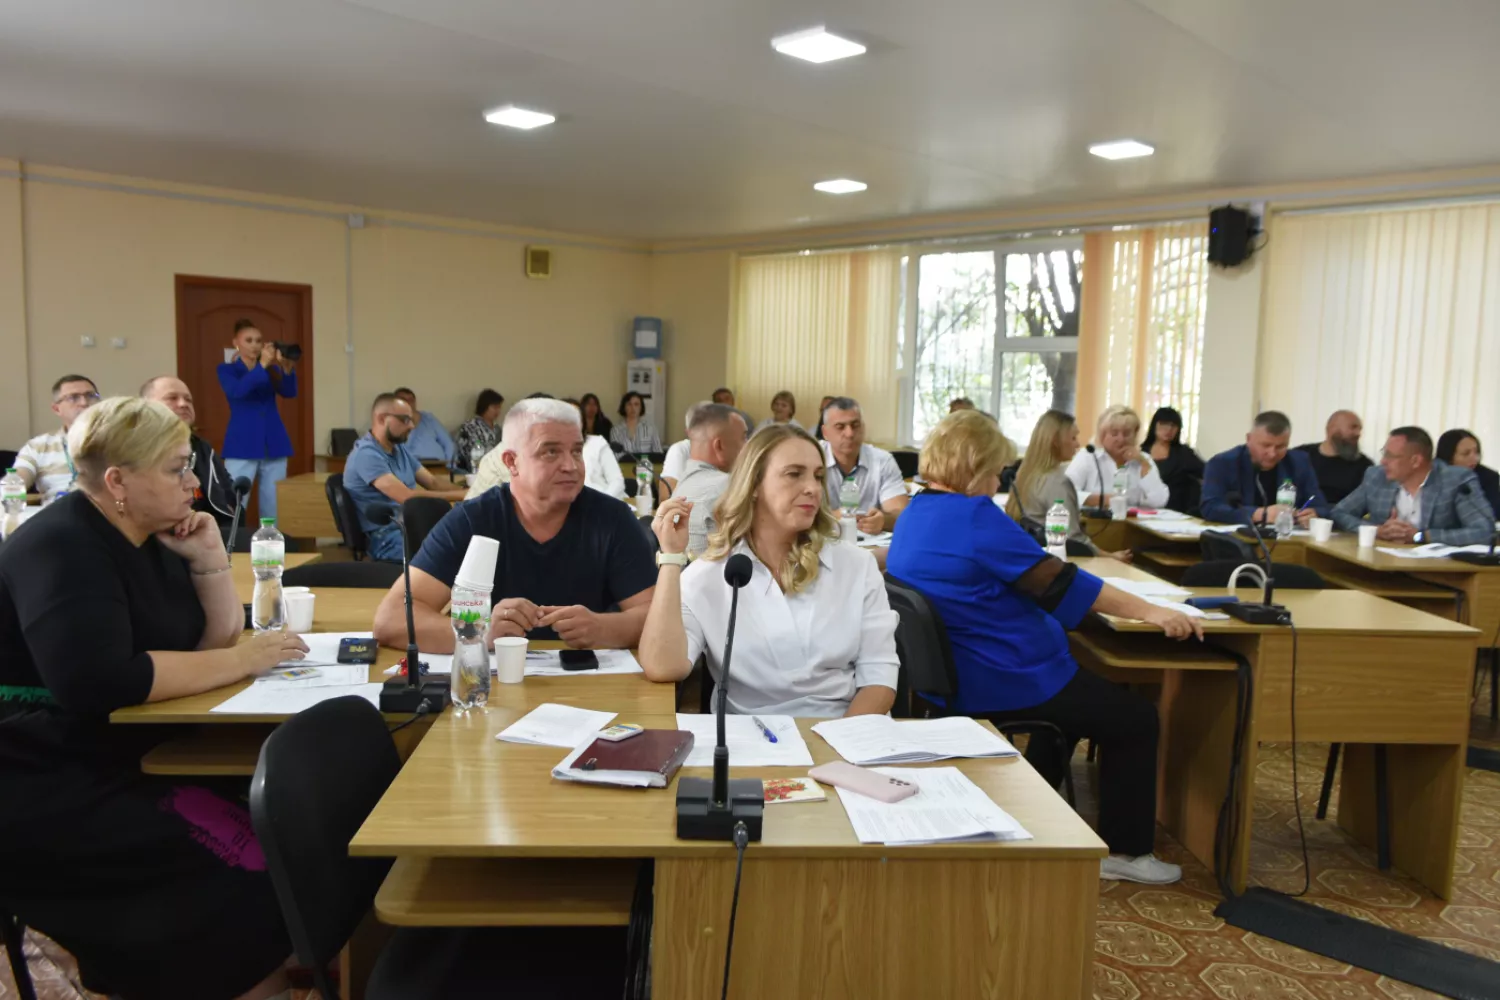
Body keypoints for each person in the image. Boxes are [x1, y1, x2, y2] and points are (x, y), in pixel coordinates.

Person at [0, 396, 308, 1000]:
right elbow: (99, 682)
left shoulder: (148, 534)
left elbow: (207, 644)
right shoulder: (62, 545)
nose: (194, 481)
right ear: (117, 480)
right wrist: (242, 659)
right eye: (176, 469)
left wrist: (212, 562)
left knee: (284, 828)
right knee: (238, 872)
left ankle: (257, 975)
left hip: (116, 750)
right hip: (35, 769)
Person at [886, 409, 1203, 884]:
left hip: (952, 680)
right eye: (994, 469)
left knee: (1078, 702)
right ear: (972, 466)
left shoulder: (916, 512)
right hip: (1004, 677)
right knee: (1135, 718)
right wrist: (1152, 612)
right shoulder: (973, 516)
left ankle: (1039, 812)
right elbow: (1059, 582)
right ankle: (1128, 852)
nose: (998, 479)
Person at [641, 424, 899, 718]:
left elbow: (879, 678)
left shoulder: (856, 565)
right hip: (752, 743)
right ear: (753, 487)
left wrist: (837, 745)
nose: (813, 488)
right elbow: (662, 667)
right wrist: (672, 558)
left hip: (846, 731)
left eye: (818, 476)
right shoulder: (709, 575)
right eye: (794, 474)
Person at [374, 398, 656, 651]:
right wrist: (479, 632)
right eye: (551, 452)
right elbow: (392, 619)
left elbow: (657, 618)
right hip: (494, 690)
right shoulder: (473, 519)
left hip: (596, 689)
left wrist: (603, 628)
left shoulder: (613, 519)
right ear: (512, 462)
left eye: (576, 451)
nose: (570, 465)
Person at [343, 394, 468, 562]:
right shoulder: (366, 454)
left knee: (469, 542)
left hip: (408, 526)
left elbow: (432, 482)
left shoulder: (399, 449)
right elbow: (407, 497)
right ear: (382, 419)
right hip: (385, 537)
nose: (412, 426)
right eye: (404, 420)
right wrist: (463, 496)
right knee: (453, 554)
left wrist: (470, 491)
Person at [1332, 426, 1495, 545]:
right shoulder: (1377, 476)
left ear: (1415, 461)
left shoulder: (1456, 481)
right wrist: (1377, 530)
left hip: (1437, 571)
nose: (1383, 461)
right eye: (1384, 453)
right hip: (1382, 561)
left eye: (1390, 456)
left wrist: (1421, 536)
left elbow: (1484, 532)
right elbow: (1340, 512)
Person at [1007, 409, 1129, 561]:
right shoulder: (1058, 482)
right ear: (1056, 442)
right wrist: (1110, 557)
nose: (1078, 444)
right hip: (1057, 560)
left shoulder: (1024, 474)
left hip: (1029, 555)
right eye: (1073, 438)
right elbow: (1073, 540)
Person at [217, 319, 296, 522]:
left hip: (274, 443)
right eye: (249, 340)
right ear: (237, 342)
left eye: (259, 341)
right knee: (235, 502)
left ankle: (271, 549)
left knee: (273, 504)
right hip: (242, 445)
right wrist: (261, 365)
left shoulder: (271, 370)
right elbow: (238, 391)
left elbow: (289, 392)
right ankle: (232, 548)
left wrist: (287, 369)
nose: (254, 345)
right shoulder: (227, 370)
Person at [140, 375, 237, 532]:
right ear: (146, 406)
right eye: (172, 398)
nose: (183, 404)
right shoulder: (139, 448)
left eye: (188, 399)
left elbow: (228, 492)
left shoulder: (202, 447)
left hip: (215, 528)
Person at [1200, 411, 1328, 525]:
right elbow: (1210, 507)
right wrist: (1259, 514)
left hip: (1289, 538)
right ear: (1249, 439)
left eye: (1280, 447)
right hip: (1237, 540)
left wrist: (1314, 514)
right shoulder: (1223, 463)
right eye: (1266, 445)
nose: (1272, 453)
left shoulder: (1299, 462)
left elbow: (1321, 505)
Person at [669, 403, 748, 556]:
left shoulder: (682, 486)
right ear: (719, 446)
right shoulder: (729, 486)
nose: (748, 446)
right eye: (744, 437)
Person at [821, 397, 909, 533]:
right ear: (825, 433)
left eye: (855, 425)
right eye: (840, 427)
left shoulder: (883, 461)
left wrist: (884, 520)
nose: (849, 434)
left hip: (871, 545)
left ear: (863, 427)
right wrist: (836, 516)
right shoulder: (812, 458)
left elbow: (902, 515)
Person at [1064, 404, 1169, 509]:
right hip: (1094, 523)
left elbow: (1159, 501)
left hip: (1132, 523)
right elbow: (1065, 493)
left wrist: (1144, 464)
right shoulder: (1088, 456)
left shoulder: (1143, 459)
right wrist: (1103, 499)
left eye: (1127, 433)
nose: (1121, 439)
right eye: (1114, 433)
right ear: (1102, 435)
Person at [15, 374, 100, 496]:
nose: (84, 402)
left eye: (90, 396)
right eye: (73, 397)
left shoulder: (118, 440)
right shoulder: (38, 446)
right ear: (56, 409)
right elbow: (15, 481)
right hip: (57, 511)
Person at [1293, 410, 1373, 506]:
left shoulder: (1365, 466)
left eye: (1360, 429)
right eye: (1353, 427)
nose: (1358, 434)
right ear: (1331, 429)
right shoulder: (1300, 455)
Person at [1142, 407, 1204, 514]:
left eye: (1173, 426)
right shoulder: (1141, 453)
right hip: (1145, 509)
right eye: (1164, 424)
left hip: (1177, 511)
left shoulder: (1184, 453)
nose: (1169, 429)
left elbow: (1208, 472)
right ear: (1154, 425)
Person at [564, 398, 626, 500]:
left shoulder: (597, 442)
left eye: (576, 416)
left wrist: (603, 502)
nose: (572, 420)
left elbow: (617, 481)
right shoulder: (551, 450)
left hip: (603, 503)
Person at [1437, 429, 1500, 518]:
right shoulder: (1432, 475)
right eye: (1466, 454)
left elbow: (1493, 513)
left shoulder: (1489, 477)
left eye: (1476, 452)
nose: (1474, 458)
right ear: (1448, 456)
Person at [392, 387, 456, 466]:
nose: (408, 402)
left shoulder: (429, 418)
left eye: (411, 400)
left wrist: (450, 467)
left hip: (440, 467)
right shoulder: (391, 423)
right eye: (403, 399)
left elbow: (448, 444)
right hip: (412, 469)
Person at [454, 388, 505, 474]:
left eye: (499, 407)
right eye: (494, 407)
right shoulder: (469, 427)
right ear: (484, 406)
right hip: (476, 470)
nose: (498, 411)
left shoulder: (498, 429)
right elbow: (468, 455)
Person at [610, 390, 663, 456]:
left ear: (641, 407)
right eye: (629, 404)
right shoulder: (616, 430)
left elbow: (658, 454)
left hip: (646, 465)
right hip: (623, 465)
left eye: (636, 404)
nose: (633, 408)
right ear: (624, 407)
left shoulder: (651, 429)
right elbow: (616, 455)